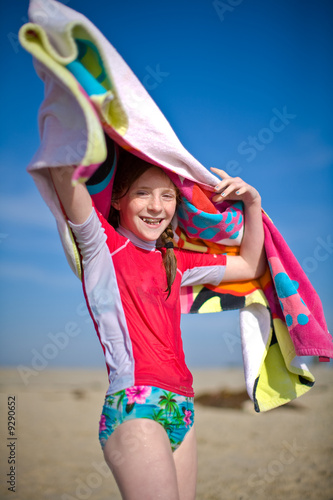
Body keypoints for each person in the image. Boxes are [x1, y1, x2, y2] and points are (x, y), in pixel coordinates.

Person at [49, 149, 265, 500]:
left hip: (183, 407)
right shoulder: (103, 245)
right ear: (118, 199)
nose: (156, 206)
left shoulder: (175, 262)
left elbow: (251, 266)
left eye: (167, 195)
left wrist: (252, 203)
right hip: (135, 407)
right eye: (142, 193)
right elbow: (64, 175)